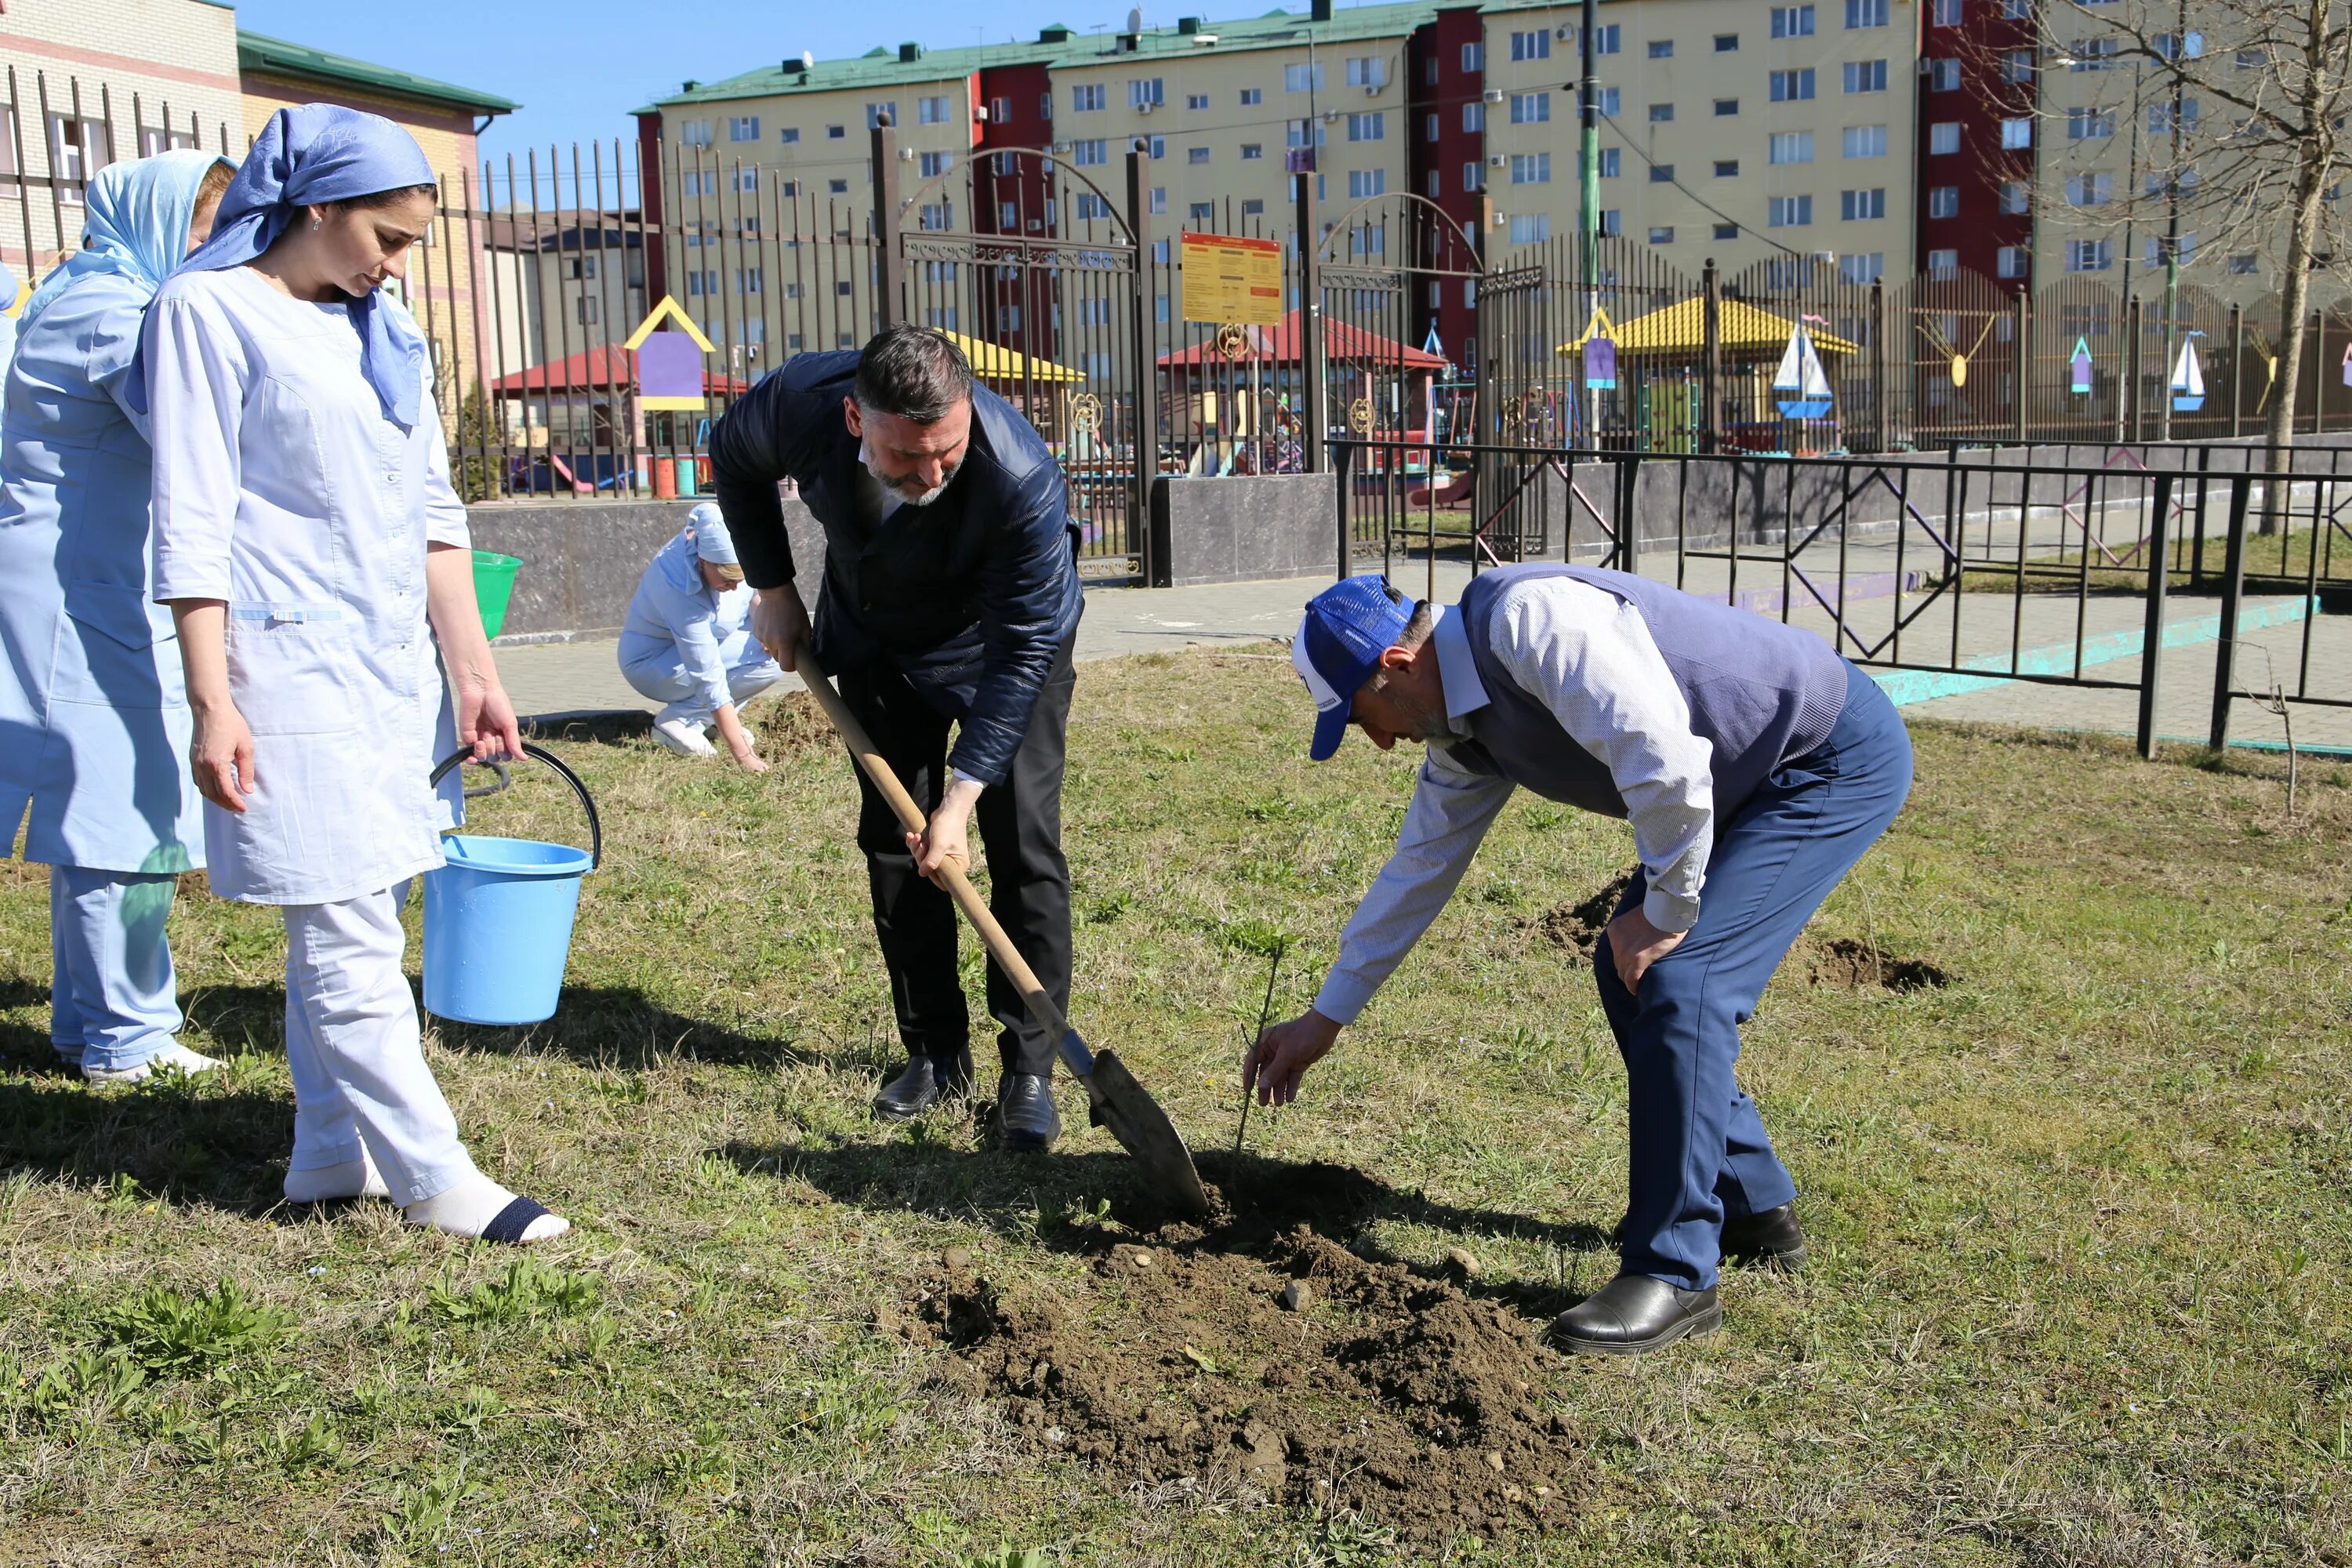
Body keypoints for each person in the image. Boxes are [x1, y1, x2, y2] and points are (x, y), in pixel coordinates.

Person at [1247, 566, 1914, 1356]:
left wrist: (1664, 912)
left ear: (1396, 664)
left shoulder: (1533, 624)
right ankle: (1755, 1205)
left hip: (1818, 758)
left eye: (1366, 720)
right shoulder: (1465, 729)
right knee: (1628, 970)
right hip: (1730, 773)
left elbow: (1662, 756)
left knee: (1682, 980)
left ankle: (1676, 1272)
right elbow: (1418, 869)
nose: (1383, 741)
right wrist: (1326, 1017)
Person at [143, 104, 567, 1242]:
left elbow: (435, 511)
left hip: (386, 668)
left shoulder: (387, 330)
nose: (396, 264)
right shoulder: (208, 312)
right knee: (345, 929)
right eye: (385, 237)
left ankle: (329, 1154)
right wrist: (212, 699)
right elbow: (189, 522)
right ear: (315, 206)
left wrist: (471, 671)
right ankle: (436, 1179)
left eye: (412, 244)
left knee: (366, 898)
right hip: (277, 668)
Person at [710, 325, 1080, 1149]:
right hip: (878, 633)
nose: (932, 474)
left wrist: (963, 791)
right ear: (854, 419)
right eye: (907, 458)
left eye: (946, 451)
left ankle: (1029, 1069)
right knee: (895, 840)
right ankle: (934, 1052)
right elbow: (731, 457)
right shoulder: (799, 403)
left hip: (1003, 647)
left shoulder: (1019, 476)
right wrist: (772, 585)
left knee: (1019, 845)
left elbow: (1025, 649)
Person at [0, 151, 232, 1084]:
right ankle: (129, 1036)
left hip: (88, 582)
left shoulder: (93, 291)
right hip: (74, 594)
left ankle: (90, 1024)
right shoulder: (109, 312)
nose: (221, 253)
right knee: (123, 808)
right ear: (157, 219)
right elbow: (188, 423)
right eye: (208, 233)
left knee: (103, 806)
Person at [617, 500, 780, 765]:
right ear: (703, 561)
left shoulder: (723, 546)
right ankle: (678, 722)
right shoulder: (677, 585)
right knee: (752, 662)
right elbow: (708, 673)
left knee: (775, 652)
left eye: (740, 579)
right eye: (728, 579)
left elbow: (753, 599)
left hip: (694, 652)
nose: (734, 587)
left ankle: (700, 719)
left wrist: (765, 628)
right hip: (653, 666)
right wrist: (743, 755)